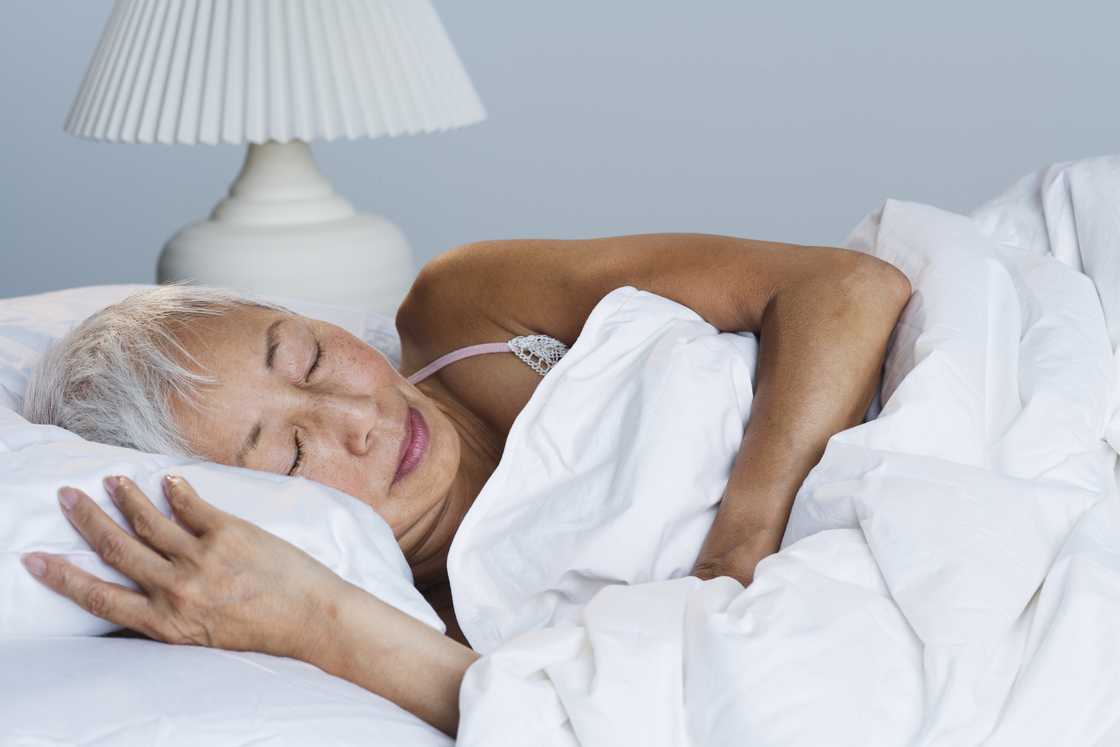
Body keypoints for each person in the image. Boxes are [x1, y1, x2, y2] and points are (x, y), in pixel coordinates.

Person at [19, 233, 911, 736]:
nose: (357, 416)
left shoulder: (465, 312)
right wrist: (315, 616)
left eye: (312, 354)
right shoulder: (438, 633)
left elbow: (847, 288)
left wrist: (744, 537)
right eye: (290, 454)